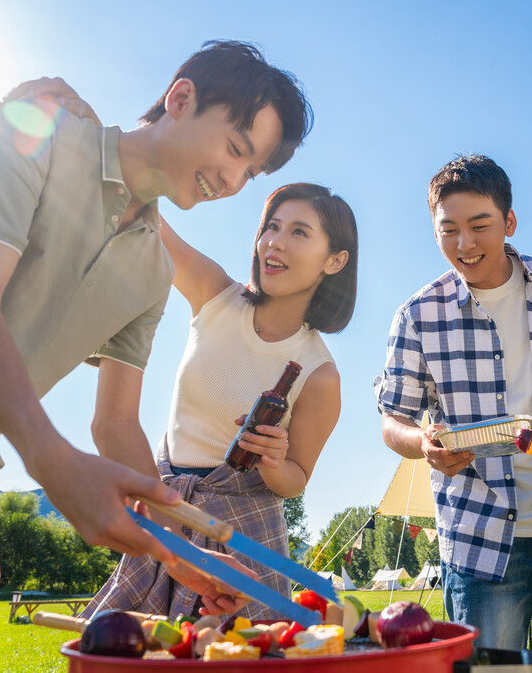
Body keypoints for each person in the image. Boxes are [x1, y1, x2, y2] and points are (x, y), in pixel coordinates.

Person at [0, 40, 311, 671]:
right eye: (234, 149)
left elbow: (115, 423)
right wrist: (54, 462)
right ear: (180, 98)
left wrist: (185, 557)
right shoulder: (35, 133)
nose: (232, 180)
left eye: (250, 172)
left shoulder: (152, 273)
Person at [83, 182, 358, 620]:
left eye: (299, 232)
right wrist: (118, 161)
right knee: (140, 654)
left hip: (246, 532)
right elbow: (152, 225)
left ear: (335, 260)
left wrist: (274, 459)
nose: (275, 241)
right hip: (165, 511)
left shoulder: (320, 373)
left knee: (242, 657)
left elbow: (296, 478)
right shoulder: (215, 295)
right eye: (271, 226)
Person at [376, 155, 532, 672]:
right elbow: (393, 422)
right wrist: (424, 445)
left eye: (479, 226)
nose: (465, 244)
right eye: (448, 230)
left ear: (509, 222)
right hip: (480, 540)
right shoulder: (417, 315)